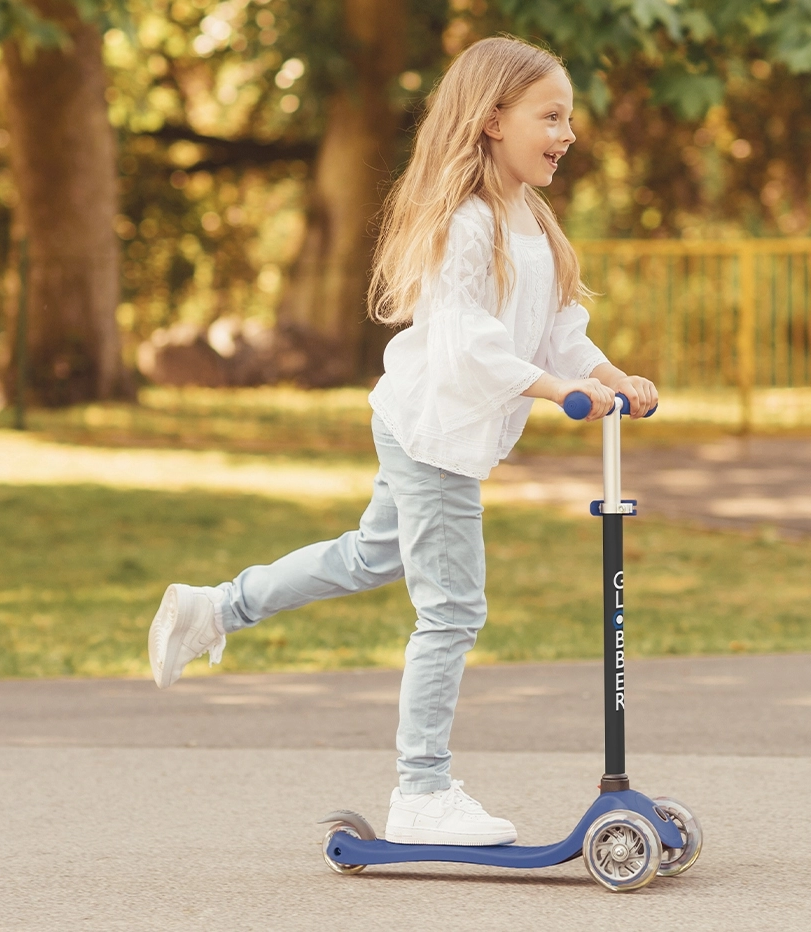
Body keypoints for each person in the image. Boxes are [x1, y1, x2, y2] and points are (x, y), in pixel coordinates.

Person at [146, 36, 658, 847]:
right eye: (550, 116)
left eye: (569, 118)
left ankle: (216, 608)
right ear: (492, 121)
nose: (567, 133)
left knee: (367, 556)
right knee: (452, 608)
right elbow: (468, 341)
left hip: (434, 425)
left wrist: (610, 376)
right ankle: (420, 789)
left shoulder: (534, 221)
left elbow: (563, 329)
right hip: (434, 432)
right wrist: (560, 391)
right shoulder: (464, 222)